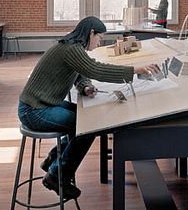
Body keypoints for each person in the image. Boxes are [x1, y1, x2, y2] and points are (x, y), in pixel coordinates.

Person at [17, 16, 159, 199]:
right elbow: (95, 69)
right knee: (88, 128)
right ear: (91, 33)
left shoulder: (71, 46)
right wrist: (135, 70)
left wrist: (84, 86)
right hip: (34, 110)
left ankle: (54, 159)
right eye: (99, 37)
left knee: (84, 121)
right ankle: (56, 175)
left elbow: (80, 72)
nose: (99, 41)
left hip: (42, 103)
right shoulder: (71, 49)